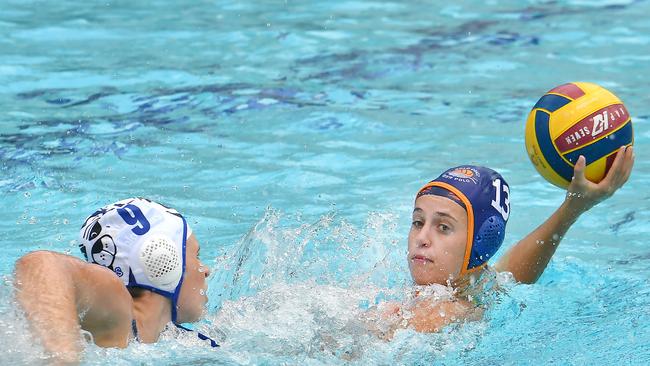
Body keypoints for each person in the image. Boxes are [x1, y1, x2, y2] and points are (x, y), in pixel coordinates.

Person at [372, 146, 634, 336]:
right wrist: (574, 207)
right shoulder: (480, 290)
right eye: (418, 222)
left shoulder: (441, 315)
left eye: (443, 227)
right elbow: (510, 273)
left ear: (480, 242)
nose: (422, 238)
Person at [14, 198, 217, 364]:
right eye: (196, 255)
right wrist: (61, 358)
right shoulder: (119, 311)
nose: (206, 270)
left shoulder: (186, 342)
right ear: (163, 259)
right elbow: (41, 262)